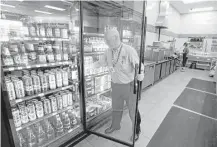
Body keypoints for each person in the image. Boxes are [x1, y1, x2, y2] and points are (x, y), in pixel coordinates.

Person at [93, 28, 144, 141]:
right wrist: (91, 66)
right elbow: (101, 62)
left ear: (115, 38)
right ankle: (115, 126)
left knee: (132, 109)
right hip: (115, 85)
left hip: (129, 86)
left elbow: (138, 64)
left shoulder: (128, 50)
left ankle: (136, 130)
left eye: (107, 40)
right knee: (116, 108)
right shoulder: (108, 51)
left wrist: (141, 74)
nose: (106, 42)